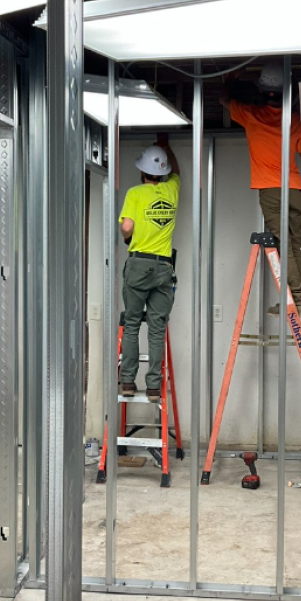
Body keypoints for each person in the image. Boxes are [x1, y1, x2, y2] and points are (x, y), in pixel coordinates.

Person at [222, 65, 301, 317]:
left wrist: (229, 79)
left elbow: (224, 100)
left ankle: (298, 301)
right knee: (294, 246)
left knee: (284, 246)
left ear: (261, 91)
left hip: (271, 190)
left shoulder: (251, 114)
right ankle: (297, 299)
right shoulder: (294, 120)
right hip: (295, 189)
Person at [118, 135, 180, 402]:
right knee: (157, 327)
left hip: (139, 263)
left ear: (142, 171)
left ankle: (128, 382)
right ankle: (154, 386)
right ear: (163, 172)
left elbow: (127, 227)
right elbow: (176, 172)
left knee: (132, 323)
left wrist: (127, 236)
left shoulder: (135, 193)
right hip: (164, 266)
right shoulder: (172, 189)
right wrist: (166, 146)